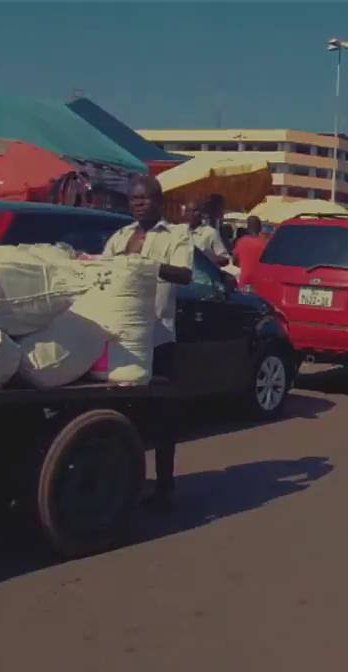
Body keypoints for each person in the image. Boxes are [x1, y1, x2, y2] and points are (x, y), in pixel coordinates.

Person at [100, 176, 194, 507]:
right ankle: (125, 483)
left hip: (158, 337)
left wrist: (146, 266)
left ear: (158, 201)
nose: (139, 204)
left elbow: (185, 274)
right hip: (120, 339)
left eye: (145, 199)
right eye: (134, 199)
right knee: (124, 415)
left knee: (162, 417)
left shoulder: (176, 235)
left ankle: (165, 486)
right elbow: (104, 268)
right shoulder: (121, 236)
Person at [187, 195, 231, 267]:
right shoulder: (180, 231)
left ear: (200, 213)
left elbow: (225, 260)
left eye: (194, 211)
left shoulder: (210, 233)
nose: (191, 214)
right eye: (188, 211)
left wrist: (208, 256)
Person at [232, 215, 268, 284]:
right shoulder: (266, 243)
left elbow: (234, 261)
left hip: (245, 281)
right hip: (261, 282)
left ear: (248, 228)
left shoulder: (241, 241)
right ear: (260, 228)